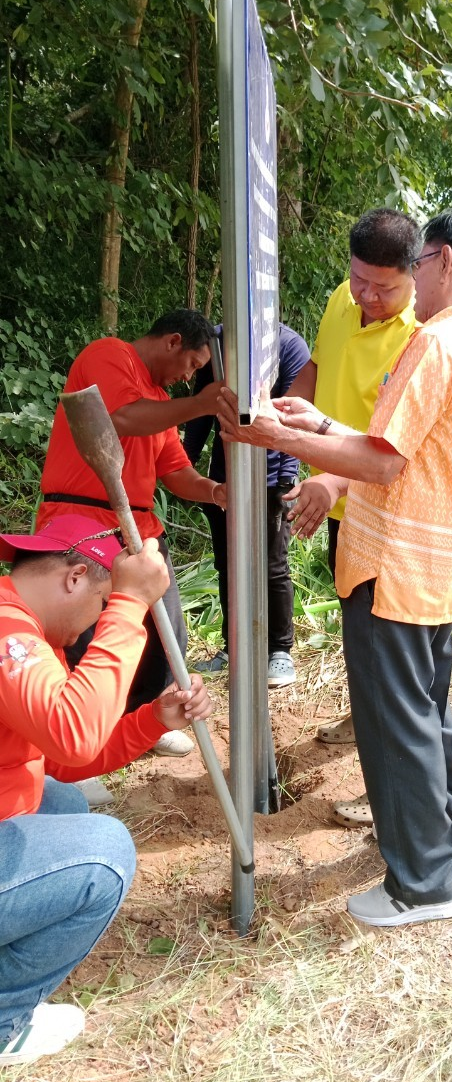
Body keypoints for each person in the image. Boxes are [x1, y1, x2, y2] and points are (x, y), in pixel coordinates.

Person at [218, 209, 452, 928]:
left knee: (394, 719)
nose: (389, 290)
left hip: (397, 559)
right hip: (436, 557)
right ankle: (447, 825)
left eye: (412, 271)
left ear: (441, 263)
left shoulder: (436, 342)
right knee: (424, 707)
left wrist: (277, 434)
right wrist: (317, 425)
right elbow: (398, 441)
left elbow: (384, 461)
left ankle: (423, 884)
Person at [0, 515, 212, 1065]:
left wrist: (153, 719)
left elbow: (62, 760)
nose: (96, 624)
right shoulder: (7, 633)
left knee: (59, 802)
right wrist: (129, 605)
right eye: (98, 604)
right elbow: (74, 735)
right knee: (105, 856)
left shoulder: (23, 628)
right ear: (74, 578)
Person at [37, 309, 226, 761]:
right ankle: (82, 744)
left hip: (138, 531)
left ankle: (147, 719)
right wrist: (202, 403)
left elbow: (177, 471)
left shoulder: (159, 400)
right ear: (172, 341)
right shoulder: (110, 354)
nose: (189, 378)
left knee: (165, 631)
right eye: (193, 366)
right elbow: (121, 417)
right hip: (80, 523)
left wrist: (216, 491)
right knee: (81, 633)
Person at [283, 208, 421, 825]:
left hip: (383, 511)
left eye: (383, 287)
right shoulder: (344, 298)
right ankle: (363, 722)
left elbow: (389, 442)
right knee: (360, 634)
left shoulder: (421, 336)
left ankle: (392, 788)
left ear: (414, 273)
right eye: (359, 279)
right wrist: (291, 424)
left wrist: (331, 476)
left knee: (387, 646)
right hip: (337, 495)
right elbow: (315, 366)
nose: (367, 296)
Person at [184, 322, 310, 687]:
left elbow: (293, 420)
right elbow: (201, 411)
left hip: (272, 479)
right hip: (226, 479)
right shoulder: (217, 345)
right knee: (228, 564)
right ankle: (234, 646)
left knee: (273, 565)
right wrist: (184, 465)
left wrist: (286, 481)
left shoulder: (289, 347)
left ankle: (280, 651)